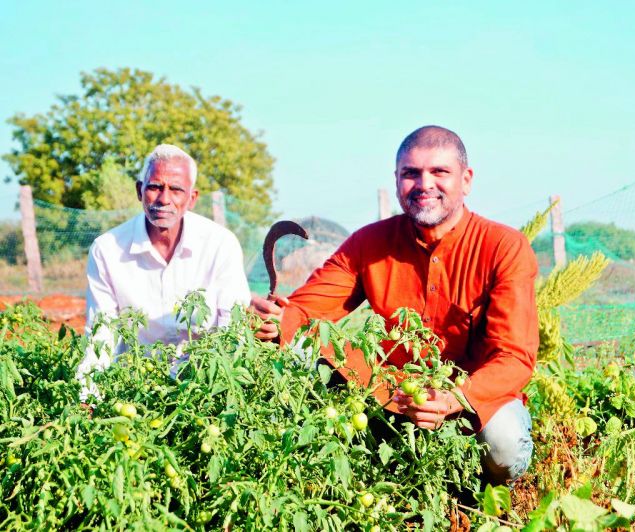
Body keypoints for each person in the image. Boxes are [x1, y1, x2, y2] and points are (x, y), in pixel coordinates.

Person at [251, 126, 539, 484]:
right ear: (397, 180)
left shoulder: (503, 247)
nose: (424, 184)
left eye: (439, 172)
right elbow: (310, 307)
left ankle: (490, 496)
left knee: (503, 445)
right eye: (411, 173)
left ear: (466, 180)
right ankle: (353, 476)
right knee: (297, 349)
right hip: (393, 395)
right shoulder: (369, 243)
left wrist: (452, 398)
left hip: (473, 399)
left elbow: (514, 357)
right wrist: (278, 318)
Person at [76, 144, 251, 396]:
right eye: (155, 187)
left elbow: (232, 328)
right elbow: (101, 332)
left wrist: (223, 392)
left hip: (203, 385)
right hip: (135, 385)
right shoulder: (107, 250)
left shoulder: (220, 244)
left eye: (176, 189)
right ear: (140, 191)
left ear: (192, 198)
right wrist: (88, 396)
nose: (164, 199)